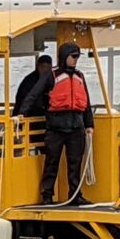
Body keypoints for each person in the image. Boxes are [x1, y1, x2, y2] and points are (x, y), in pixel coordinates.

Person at [39, 41, 95, 206]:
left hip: (76, 127)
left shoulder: (79, 76)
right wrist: (22, 112)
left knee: (75, 163)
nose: (76, 60)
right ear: (65, 57)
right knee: (51, 162)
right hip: (56, 127)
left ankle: (75, 195)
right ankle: (47, 195)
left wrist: (89, 124)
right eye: (73, 56)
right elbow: (35, 94)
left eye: (78, 57)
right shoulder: (52, 75)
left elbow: (86, 102)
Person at [14, 54, 54, 119]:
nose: (45, 70)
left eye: (48, 67)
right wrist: (21, 113)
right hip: (29, 114)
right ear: (38, 66)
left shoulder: (53, 79)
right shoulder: (29, 80)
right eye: (43, 67)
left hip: (45, 114)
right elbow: (24, 98)